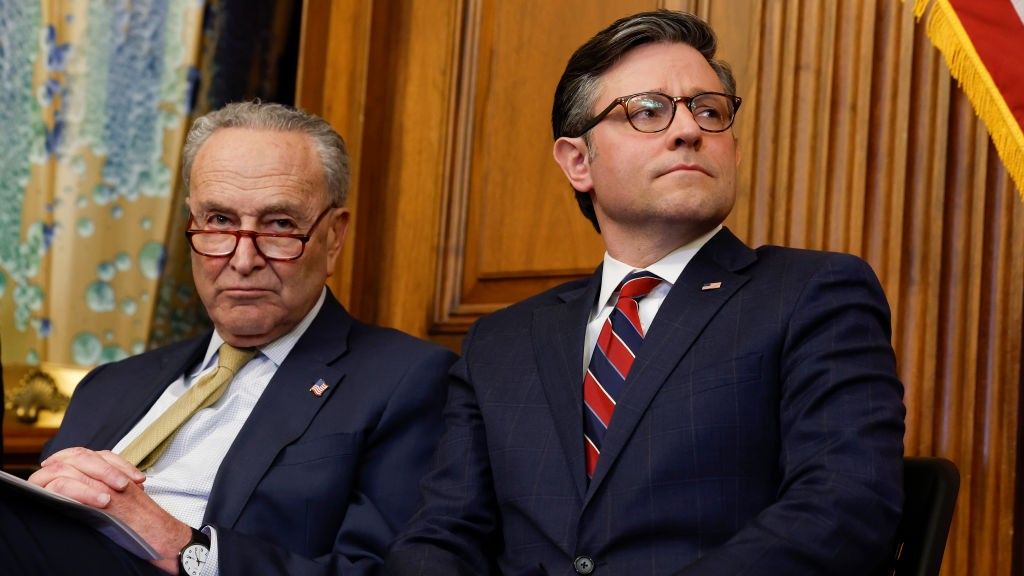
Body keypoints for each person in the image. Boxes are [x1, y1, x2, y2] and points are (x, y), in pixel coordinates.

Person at [387, 10, 905, 576]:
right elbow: (441, 537)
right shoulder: (501, 342)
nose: (689, 130)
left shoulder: (811, 293)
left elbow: (843, 509)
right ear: (578, 161)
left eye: (710, 111)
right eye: (647, 112)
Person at [0, 102, 456, 576]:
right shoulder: (110, 385)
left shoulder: (406, 380)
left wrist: (181, 545)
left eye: (279, 224)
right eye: (218, 220)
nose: (242, 259)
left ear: (334, 237)